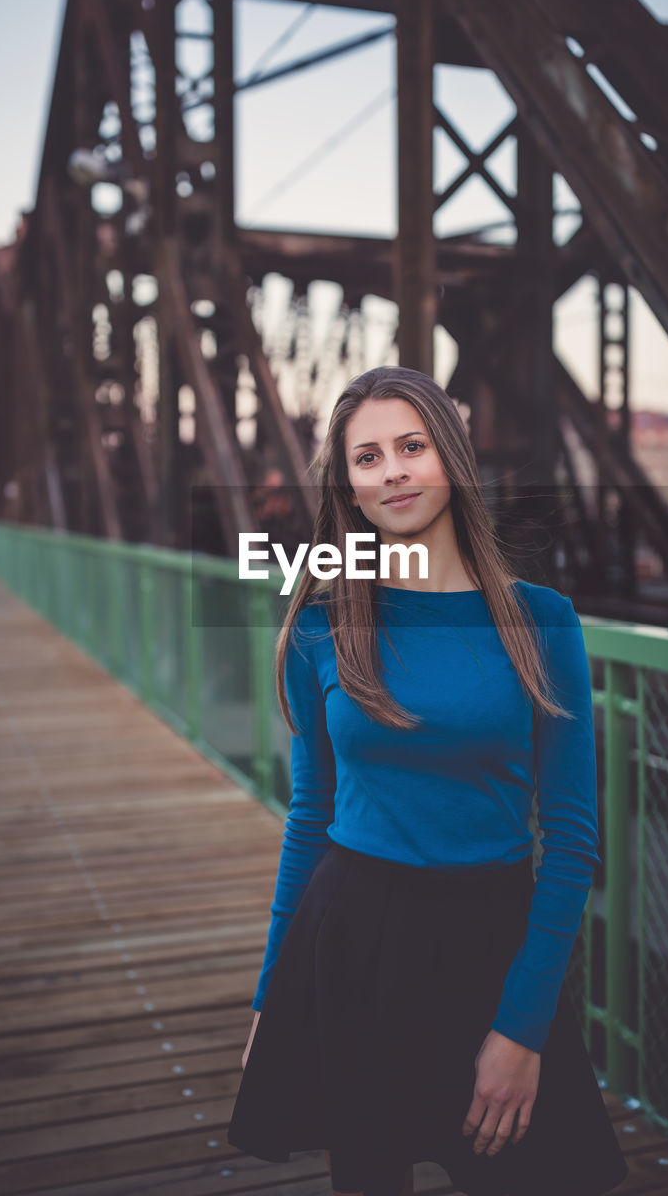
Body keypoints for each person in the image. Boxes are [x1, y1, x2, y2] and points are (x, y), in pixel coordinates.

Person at [227, 366, 629, 1196]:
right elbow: (311, 815)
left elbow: (571, 835)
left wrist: (520, 1029)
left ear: (450, 455)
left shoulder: (541, 621)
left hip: (494, 939)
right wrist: (271, 990)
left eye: (411, 446)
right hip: (356, 937)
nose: (392, 471)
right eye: (366, 457)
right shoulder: (320, 625)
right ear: (348, 484)